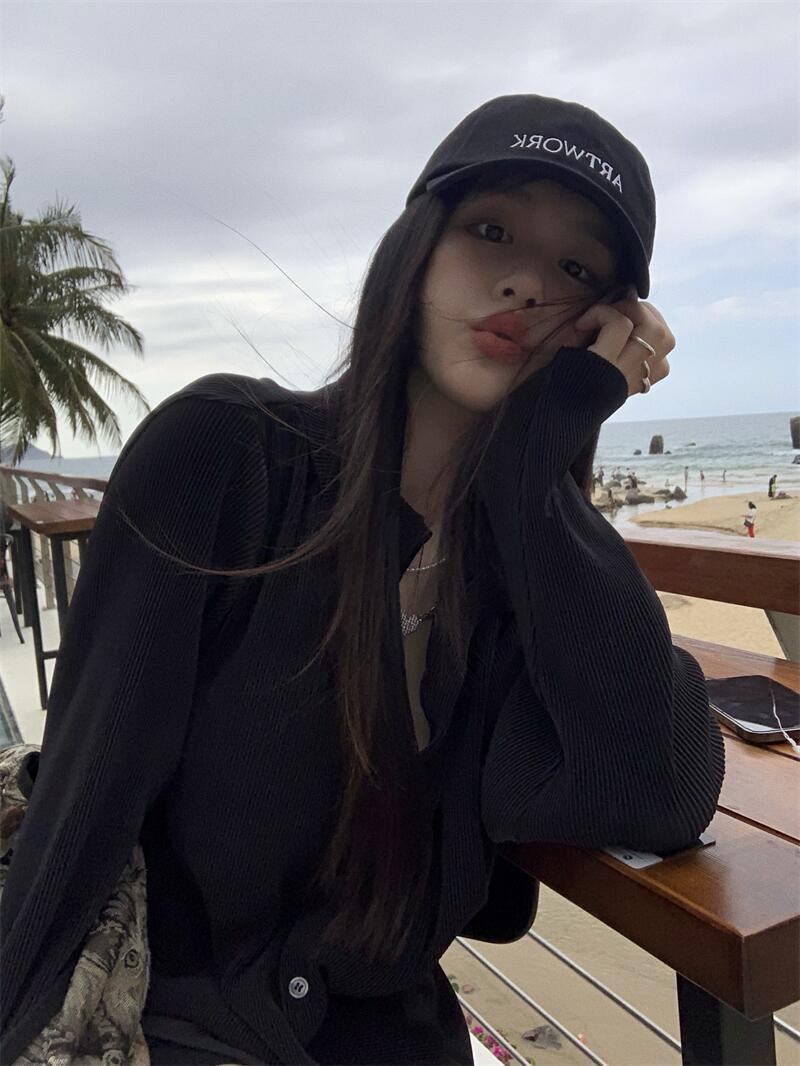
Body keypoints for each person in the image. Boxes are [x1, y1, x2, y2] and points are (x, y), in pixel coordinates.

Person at [0, 94, 726, 1066]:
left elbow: (655, 790)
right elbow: (80, 813)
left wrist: (534, 470)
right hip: (174, 1026)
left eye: (575, 270)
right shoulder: (227, 456)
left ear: (607, 325)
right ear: (414, 248)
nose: (523, 281)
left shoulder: (518, 562)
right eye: (491, 230)